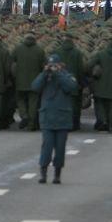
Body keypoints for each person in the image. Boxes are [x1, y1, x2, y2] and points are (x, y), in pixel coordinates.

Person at [32, 54, 79, 184]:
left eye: (55, 65)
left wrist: (58, 73)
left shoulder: (67, 76)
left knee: (60, 148)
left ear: (61, 65)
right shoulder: (45, 77)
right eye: (50, 65)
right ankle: (43, 172)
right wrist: (44, 73)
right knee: (46, 146)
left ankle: (57, 174)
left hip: (62, 118)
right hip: (47, 117)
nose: (52, 67)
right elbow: (35, 87)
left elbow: (71, 87)